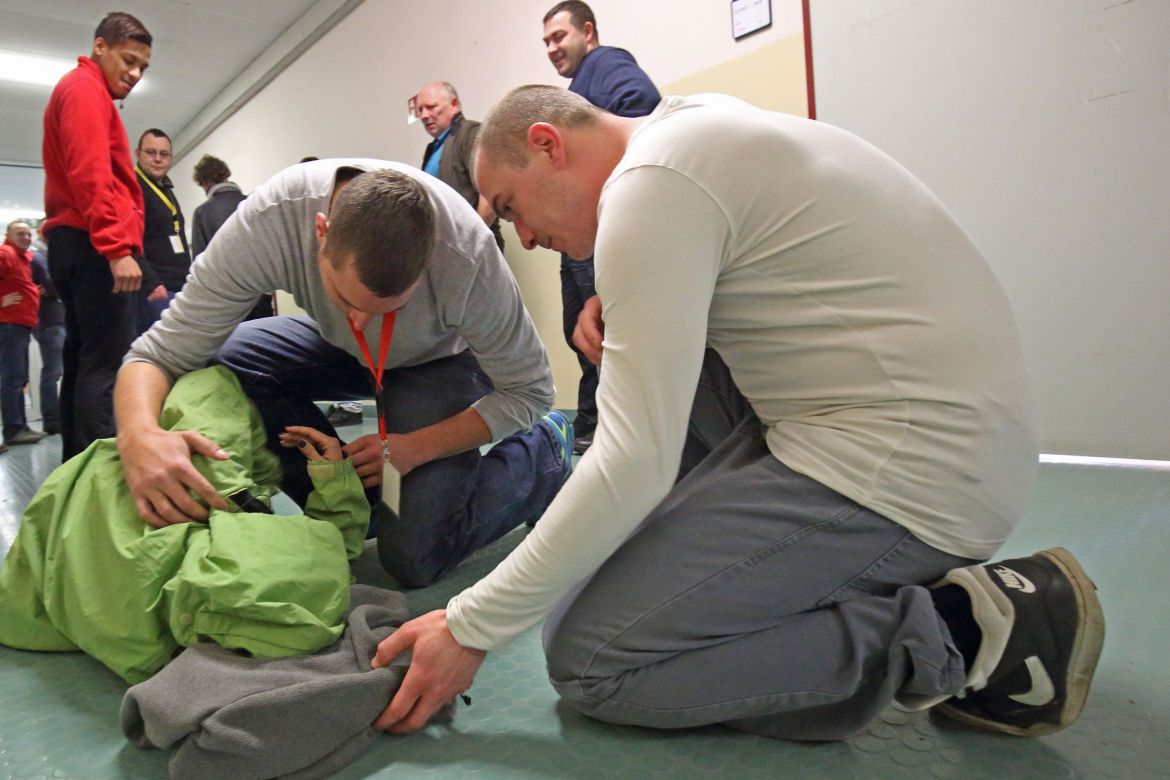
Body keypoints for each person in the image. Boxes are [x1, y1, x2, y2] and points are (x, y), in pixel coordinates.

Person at [371, 87, 1105, 743]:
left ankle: (963, 631)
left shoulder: (648, 191)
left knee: (590, 658)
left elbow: (633, 460)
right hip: (940, 431)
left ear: (546, 144)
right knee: (600, 543)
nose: (522, 237)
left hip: (914, 470)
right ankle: (788, 589)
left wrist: (468, 625)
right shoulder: (693, 125)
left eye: (511, 205)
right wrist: (630, 305)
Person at [114, 161, 573, 588]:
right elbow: (157, 353)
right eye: (344, 297)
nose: (361, 323)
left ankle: (544, 451)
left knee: (414, 559)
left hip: (438, 365)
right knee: (235, 356)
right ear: (321, 231)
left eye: (386, 310)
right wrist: (138, 436)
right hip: (341, 361)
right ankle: (364, 496)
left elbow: (530, 392)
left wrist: (409, 449)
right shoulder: (271, 221)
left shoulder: (466, 255)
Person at [0, 365, 369, 684]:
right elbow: (329, 550)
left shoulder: (85, 469)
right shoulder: (210, 393)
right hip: (170, 607)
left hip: (92, 603)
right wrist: (328, 476)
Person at [541, 0, 660, 454]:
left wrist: (599, 189)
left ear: (587, 31)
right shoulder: (577, 88)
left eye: (560, 36)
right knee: (581, 331)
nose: (552, 48)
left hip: (597, 229)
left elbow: (641, 106)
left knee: (606, 336)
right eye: (547, 42)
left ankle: (618, 436)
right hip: (576, 237)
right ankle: (590, 428)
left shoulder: (606, 63)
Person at [42, 11, 151, 461]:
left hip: (75, 242)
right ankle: (103, 474)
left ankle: (77, 467)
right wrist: (115, 247)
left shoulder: (80, 90)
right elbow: (91, 173)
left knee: (82, 360)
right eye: (128, 60)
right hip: (91, 244)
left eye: (143, 67)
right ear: (100, 46)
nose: (135, 74)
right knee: (106, 365)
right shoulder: (85, 89)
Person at [416, 81, 504, 250]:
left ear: (454, 104)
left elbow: (491, 194)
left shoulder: (470, 133)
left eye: (431, 107)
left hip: (475, 249)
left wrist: (469, 243)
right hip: (448, 251)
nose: (424, 115)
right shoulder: (432, 149)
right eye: (420, 110)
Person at [190, 154, 272, 319]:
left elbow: (200, 263)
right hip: (260, 294)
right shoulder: (252, 202)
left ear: (204, 183)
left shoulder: (202, 213)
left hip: (227, 302)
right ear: (226, 175)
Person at [134, 128, 191, 333]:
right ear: (137, 154)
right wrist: (151, 283)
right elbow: (131, 241)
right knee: (162, 359)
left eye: (164, 154)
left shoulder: (163, 187)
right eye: (151, 152)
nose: (158, 159)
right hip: (156, 292)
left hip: (177, 288)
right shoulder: (134, 189)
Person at [0, 220, 46, 449]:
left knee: (17, 378)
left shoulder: (21, 257)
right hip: (9, 325)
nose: (26, 237)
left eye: (28, 234)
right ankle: (14, 430)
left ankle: (20, 426)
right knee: (13, 379)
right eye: (20, 233)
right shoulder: (5, 254)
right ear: (8, 235)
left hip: (19, 325)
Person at [31, 244, 65, 435]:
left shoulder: (44, 256)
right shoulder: (38, 257)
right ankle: (52, 420)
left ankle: (54, 418)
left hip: (53, 320)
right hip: (50, 322)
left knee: (55, 372)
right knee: (53, 373)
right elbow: (53, 285)